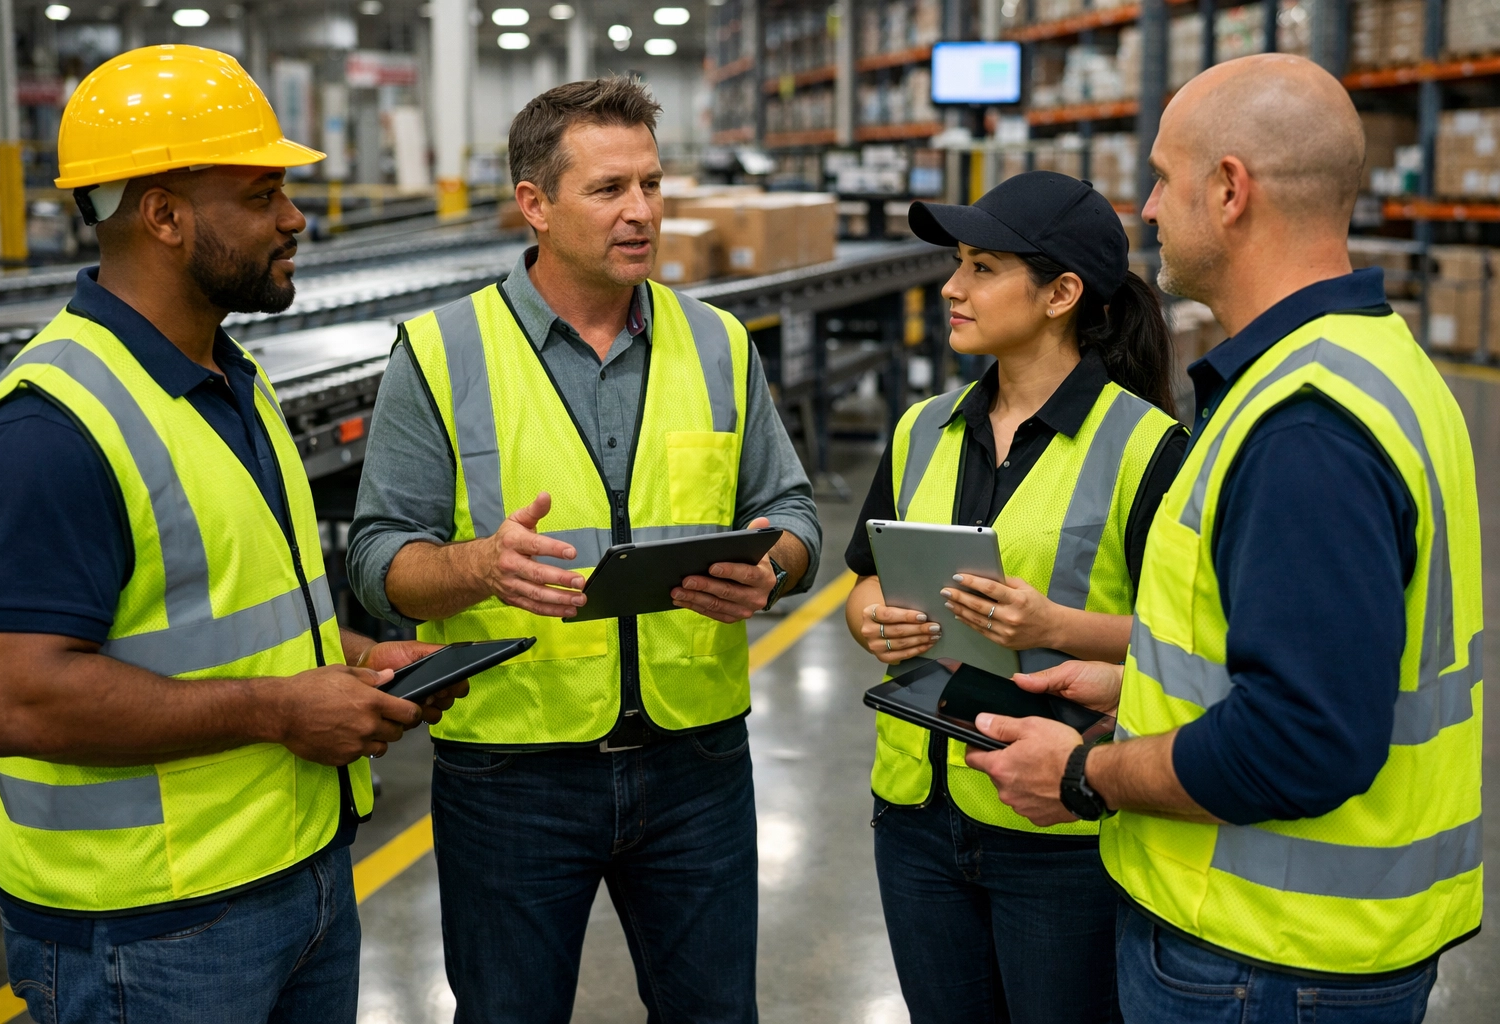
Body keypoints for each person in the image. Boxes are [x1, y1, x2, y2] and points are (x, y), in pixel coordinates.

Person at [965, 54, 1482, 1023]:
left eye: (1163, 178)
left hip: (1263, 961)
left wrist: (1083, 772)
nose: (1150, 209)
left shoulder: (1307, 423)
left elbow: (1301, 740)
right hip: (1316, 953)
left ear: (1231, 190)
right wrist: (1142, 686)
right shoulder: (1375, 363)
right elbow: (1319, 655)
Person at [0, 46, 465, 1024]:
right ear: (163, 214)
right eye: (264, 192)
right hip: (146, 932)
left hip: (297, 874)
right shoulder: (49, 429)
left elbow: (222, 605)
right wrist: (283, 709)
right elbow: (12, 701)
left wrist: (356, 658)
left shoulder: (232, 379)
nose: (295, 217)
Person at [347, 77, 820, 1024]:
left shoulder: (720, 344)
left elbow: (794, 511)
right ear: (536, 204)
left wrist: (771, 571)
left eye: (651, 183)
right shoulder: (443, 351)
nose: (641, 211)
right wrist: (477, 566)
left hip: (698, 765)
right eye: (609, 189)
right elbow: (374, 557)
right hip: (513, 776)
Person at [842, 171, 1187, 1023]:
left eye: (984, 267)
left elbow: (1193, 647)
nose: (952, 288)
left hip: (1057, 828)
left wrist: (1056, 626)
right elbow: (867, 575)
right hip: (917, 813)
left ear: (1061, 293)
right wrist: (872, 619)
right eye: (958, 263)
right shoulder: (924, 427)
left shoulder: (1150, 447)